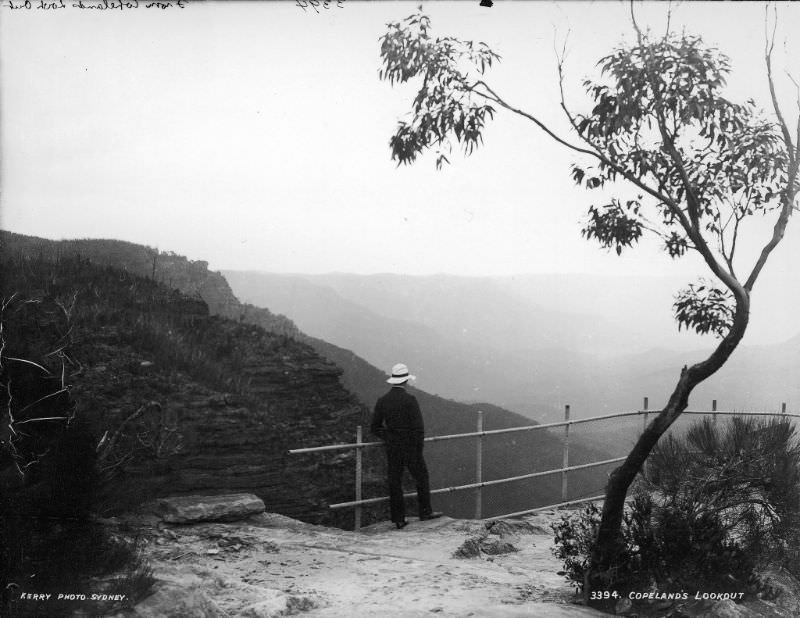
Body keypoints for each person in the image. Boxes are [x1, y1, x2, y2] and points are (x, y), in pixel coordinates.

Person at [371, 363, 443, 529]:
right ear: (405, 381)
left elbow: (374, 428)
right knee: (421, 477)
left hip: (393, 447)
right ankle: (425, 512)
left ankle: (398, 519)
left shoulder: (383, 401)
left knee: (395, 481)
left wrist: (389, 436)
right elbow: (419, 428)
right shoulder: (410, 400)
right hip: (411, 447)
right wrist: (418, 448)